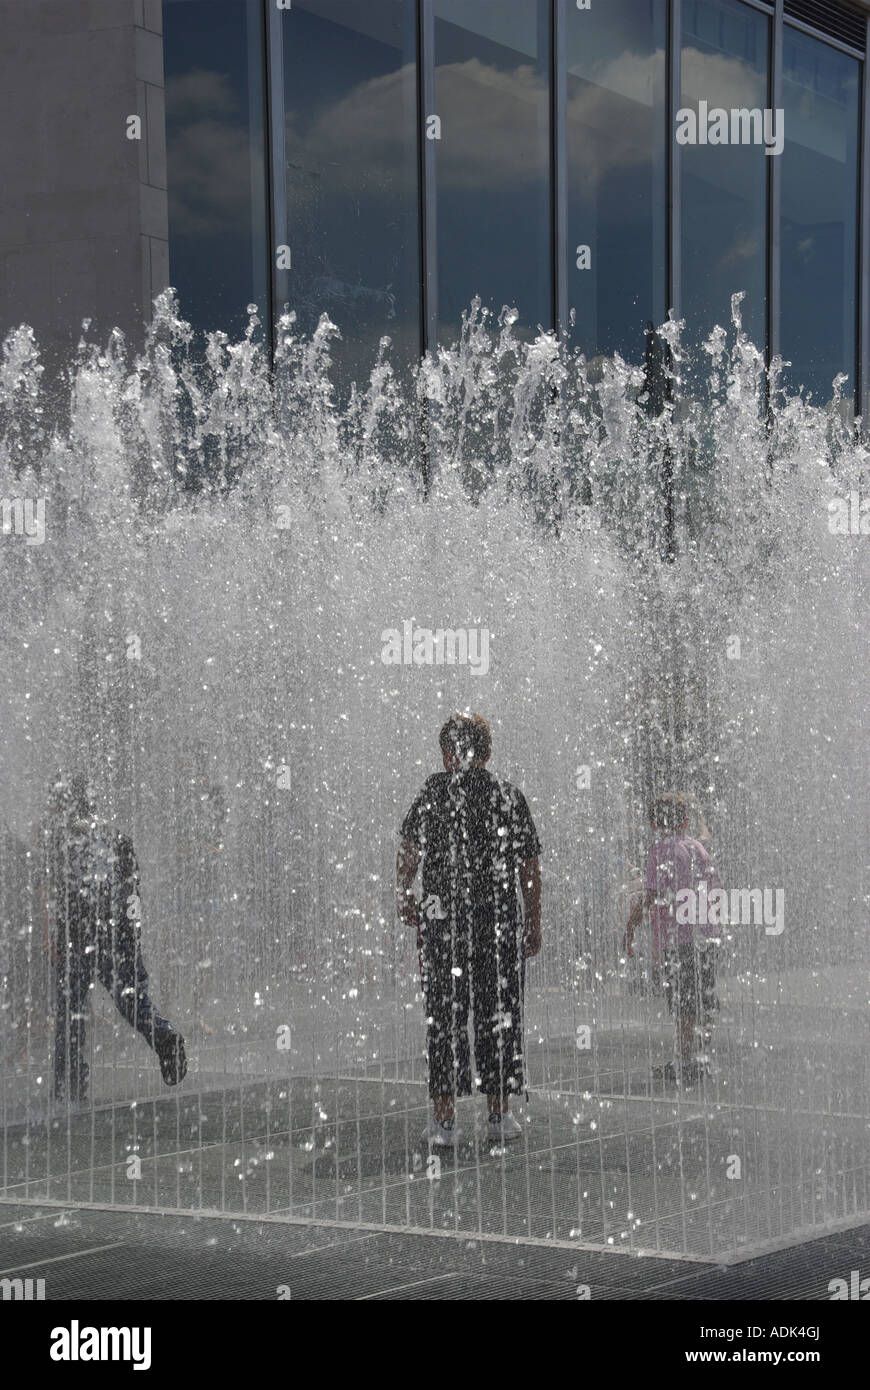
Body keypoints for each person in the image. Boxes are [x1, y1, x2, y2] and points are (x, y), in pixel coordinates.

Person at [396, 714, 542, 1147]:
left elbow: (409, 848)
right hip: (496, 922)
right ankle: (498, 1115)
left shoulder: (433, 792)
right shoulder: (507, 796)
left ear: (447, 754)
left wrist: (405, 892)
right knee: (498, 1014)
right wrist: (532, 920)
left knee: (444, 1018)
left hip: (444, 923)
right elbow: (528, 868)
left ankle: (444, 1123)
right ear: (488, 751)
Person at [42, 773, 186, 1105]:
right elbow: (132, 892)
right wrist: (132, 936)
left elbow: (52, 891)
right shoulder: (117, 837)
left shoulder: (60, 841)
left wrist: (53, 933)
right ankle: (164, 1037)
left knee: (70, 1010)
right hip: (115, 933)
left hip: (76, 936)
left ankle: (70, 1082)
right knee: (131, 1001)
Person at [624, 791, 721, 1084]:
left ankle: (685, 1062)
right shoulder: (697, 850)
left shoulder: (660, 851)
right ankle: (698, 1059)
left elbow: (651, 895)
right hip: (705, 935)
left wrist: (630, 927)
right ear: (686, 820)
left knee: (683, 1003)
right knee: (702, 999)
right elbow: (714, 890)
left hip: (678, 940)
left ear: (654, 823)